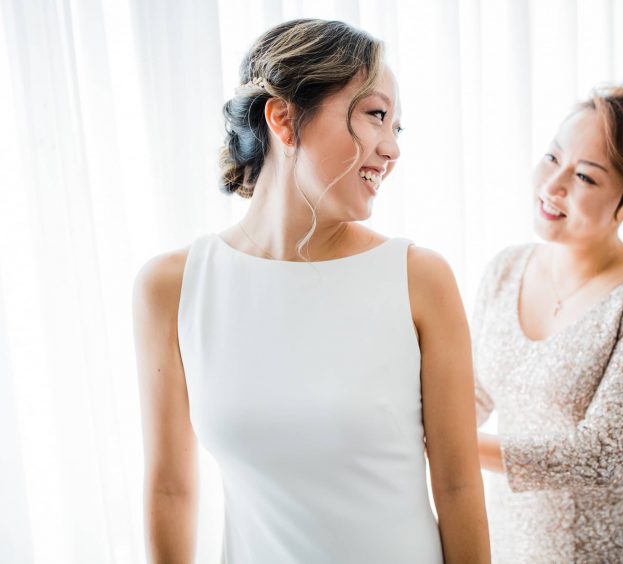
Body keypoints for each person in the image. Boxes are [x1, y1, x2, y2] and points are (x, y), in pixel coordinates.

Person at [133, 19, 489, 563]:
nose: (391, 148)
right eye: (375, 116)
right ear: (283, 119)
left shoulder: (419, 279)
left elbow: (459, 487)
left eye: (397, 127)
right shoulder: (172, 287)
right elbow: (171, 489)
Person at [472, 86, 623, 562]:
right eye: (551, 157)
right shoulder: (505, 268)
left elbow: (600, 457)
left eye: (584, 176)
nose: (553, 185)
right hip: (508, 542)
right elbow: (476, 392)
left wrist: (450, 445)